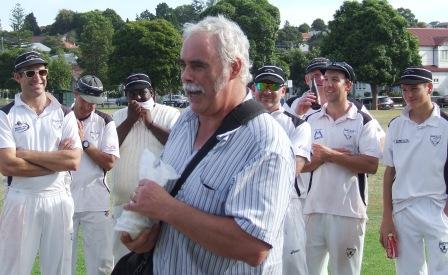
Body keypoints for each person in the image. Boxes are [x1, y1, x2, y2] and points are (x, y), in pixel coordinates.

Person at [120, 15, 295, 274]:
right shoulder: (186, 121)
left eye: (198, 66)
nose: (186, 76)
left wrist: (166, 209)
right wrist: (145, 229)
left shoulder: (265, 142)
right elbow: (167, 201)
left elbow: (253, 247)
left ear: (234, 68)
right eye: (184, 65)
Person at [0, 51, 82, 275]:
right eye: (30, 72)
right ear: (17, 77)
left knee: (59, 269)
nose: (38, 77)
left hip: (59, 198)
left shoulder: (65, 113)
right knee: (13, 269)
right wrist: (56, 162)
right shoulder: (5, 115)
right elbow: (8, 166)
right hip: (21, 198)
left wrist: (26, 154)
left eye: (42, 71)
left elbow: (73, 161)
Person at [302, 61, 382, 275]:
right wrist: (321, 160)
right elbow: (299, 165)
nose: (327, 84)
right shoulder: (309, 120)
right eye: (325, 79)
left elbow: (370, 164)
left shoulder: (364, 121)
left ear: (348, 85)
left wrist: (329, 155)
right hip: (312, 209)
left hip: (348, 212)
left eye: (334, 80)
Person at [380, 67, 448, 274]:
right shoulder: (396, 125)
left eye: (414, 89)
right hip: (403, 210)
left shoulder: (445, 125)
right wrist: (387, 218)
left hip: (438, 209)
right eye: (404, 90)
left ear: (429, 88)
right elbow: (389, 173)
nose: (409, 95)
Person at [110, 73, 180, 261]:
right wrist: (130, 120)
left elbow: (176, 143)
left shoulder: (170, 114)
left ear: (153, 94)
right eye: (132, 94)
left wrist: (150, 124)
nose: (138, 98)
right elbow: (110, 147)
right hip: (124, 203)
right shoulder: (118, 116)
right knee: (122, 260)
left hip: (158, 204)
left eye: (143, 93)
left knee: (157, 261)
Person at [253, 65, 311, 275]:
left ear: (283, 91)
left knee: (292, 267)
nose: (268, 90)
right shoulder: (239, 123)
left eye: (274, 85)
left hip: (287, 204)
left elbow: (296, 165)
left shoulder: (298, 125)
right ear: (253, 89)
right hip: (248, 205)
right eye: (262, 85)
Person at [70, 75, 120, 275]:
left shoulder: (105, 121)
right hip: (64, 198)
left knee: (102, 264)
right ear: (75, 94)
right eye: (85, 100)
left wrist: (84, 143)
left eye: (95, 102)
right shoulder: (60, 118)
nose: (90, 106)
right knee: (63, 260)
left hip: (96, 200)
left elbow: (109, 162)